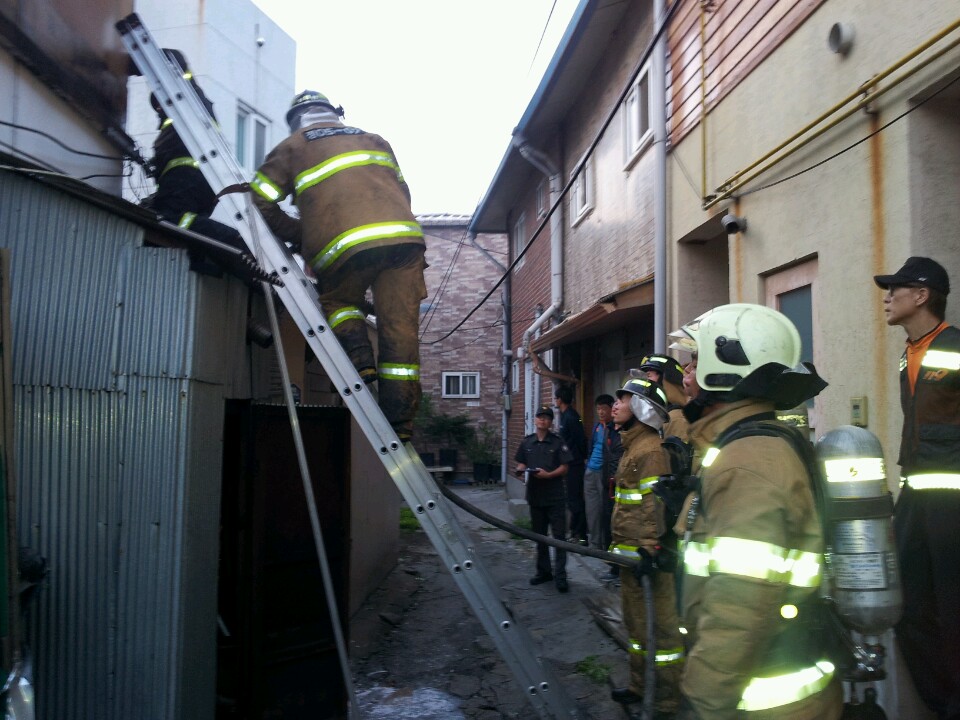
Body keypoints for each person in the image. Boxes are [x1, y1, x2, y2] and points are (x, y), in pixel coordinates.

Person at [674, 303, 840, 719]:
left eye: (694, 362)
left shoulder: (746, 462)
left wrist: (702, 699)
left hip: (766, 702)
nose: (685, 376)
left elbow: (739, 604)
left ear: (724, 370)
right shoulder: (745, 446)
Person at [250, 90, 426, 440]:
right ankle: (401, 423)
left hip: (343, 248)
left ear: (297, 121)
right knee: (400, 332)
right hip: (404, 242)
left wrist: (303, 235)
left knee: (338, 301)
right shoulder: (375, 140)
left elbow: (260, 199)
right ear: (333, 114)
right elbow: (402, 192)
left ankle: (360, 360)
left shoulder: (292, 146)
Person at [874, 256, 960, 720]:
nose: (888, 298)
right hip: (916, 499)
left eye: (896, 289)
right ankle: (941, 702)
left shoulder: (955, 347)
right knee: (907, 605)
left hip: (952, 505)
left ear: (922, 295)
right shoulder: (908, 354)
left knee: (952, 606)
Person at [608, 377, 683, 718]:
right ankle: (640, 686)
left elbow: (655, 508)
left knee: (661, 632)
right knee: (638, 628)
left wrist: (650, 551)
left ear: (640, 408)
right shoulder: (632, 446)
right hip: (630, 558)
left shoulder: (651, 451)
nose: (615, 405)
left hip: (646, 559)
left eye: (623, 400)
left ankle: (666, 700)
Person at [145, 49, 247, 274]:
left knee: (172, 218)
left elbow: (179, 65)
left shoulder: (190, 103)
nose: (159, 107)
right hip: (197, 182)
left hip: (188, 177)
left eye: (159, 101)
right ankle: (199, 262)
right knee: (188, 225)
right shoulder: (172, 123)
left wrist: (149, 58)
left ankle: (234, 240)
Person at [515, 405, 573, 593]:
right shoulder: (527, 442)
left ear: (551, 422)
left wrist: (548, 475)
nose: (543, 420)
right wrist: (520, 469)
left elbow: (565, 467)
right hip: (536, 496)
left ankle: (561, 576)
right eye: (540, 417)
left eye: (547, 418)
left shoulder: (557, 442)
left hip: (555, 497)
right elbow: (522, 461)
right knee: (539, 537)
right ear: (535, 420)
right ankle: (544, 572)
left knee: (559, 538)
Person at [555, 384, 588, 544]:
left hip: (575, 464)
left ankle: (580, 534)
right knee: (571, 498)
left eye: (556, 398)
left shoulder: (572, 417)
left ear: (560, 400)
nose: (555, 401)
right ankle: (574, 531)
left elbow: (580, 439)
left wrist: (582, 458)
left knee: (575, 499)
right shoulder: (564, 416)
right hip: (569, 463)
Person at [584, 394, 615, 554]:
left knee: (605, 510)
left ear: (611, 409)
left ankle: (605, 544)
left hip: (605, 474)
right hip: (591, 470)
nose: (601, 412)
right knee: (592, 510)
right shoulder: (597, 427)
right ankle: (594, 544)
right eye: (598, 409)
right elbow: (592, 447)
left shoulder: (615, 428)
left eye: (604, 408)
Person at [638, 354, 690, 440]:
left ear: (666, 382)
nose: (644, 383)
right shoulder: (656, 415)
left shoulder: (676, 419)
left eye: (648, 376)